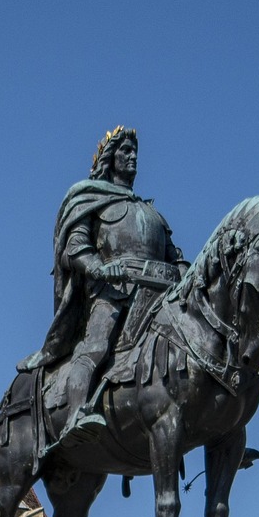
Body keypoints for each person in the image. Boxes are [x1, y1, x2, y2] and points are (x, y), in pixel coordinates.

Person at [20, 127, 185, 446]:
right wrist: (100, 268)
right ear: (110, 159)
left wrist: (190, 277)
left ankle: (213, 418)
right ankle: (76, 414)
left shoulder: (151, 213)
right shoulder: (92, 200)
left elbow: (175, 256)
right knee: (95, 346)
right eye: (125, 151)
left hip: (161, 294)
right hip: (113, 292)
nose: (133, 156)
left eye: (135, 151)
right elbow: (76, 246)